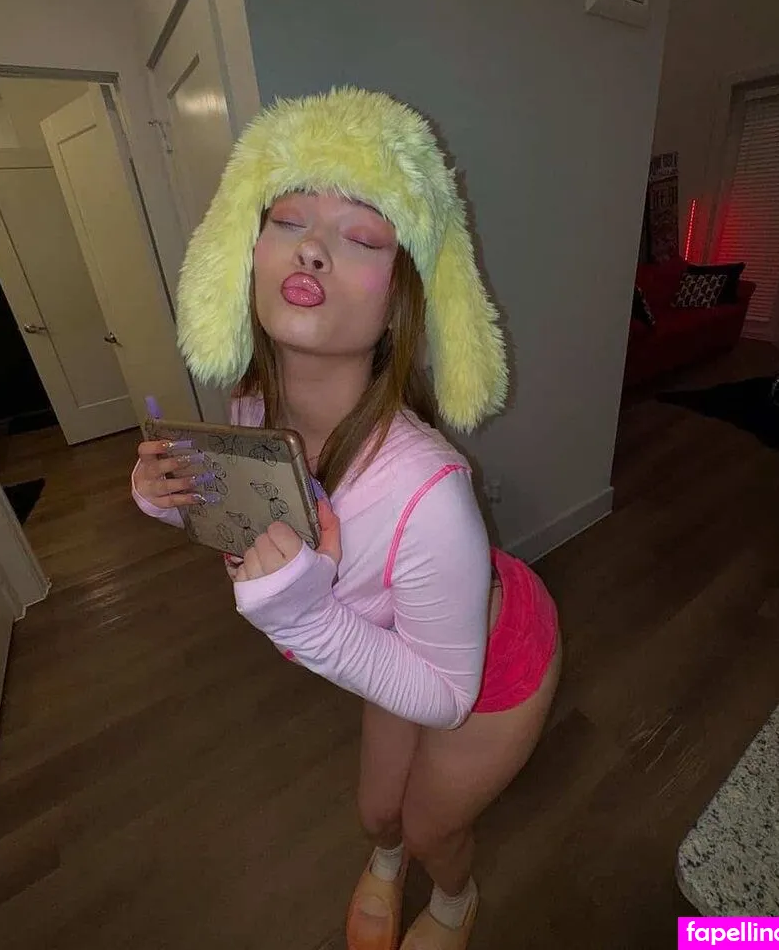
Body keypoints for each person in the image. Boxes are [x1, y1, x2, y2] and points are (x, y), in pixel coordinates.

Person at [131, 87, 561, 950]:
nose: (313, 248)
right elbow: (262, 534)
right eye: (288, 221)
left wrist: (305, 618)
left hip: (485, 667)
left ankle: (453, 900)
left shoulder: (428, 492)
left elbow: (444, 698)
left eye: (361, 236)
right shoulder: (250, 409)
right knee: (377, 813)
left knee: (431, 826)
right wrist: (178, 499)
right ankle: (388, 860)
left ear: (396, 297)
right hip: (391, 635)